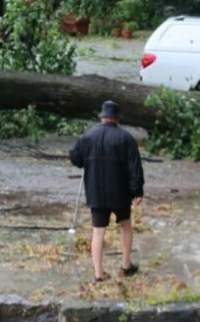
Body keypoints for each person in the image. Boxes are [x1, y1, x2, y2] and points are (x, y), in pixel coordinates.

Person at [69, 100, 145, 282]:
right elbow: (135, 167)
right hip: (120, 192)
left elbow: (74, 157)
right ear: (117, 119)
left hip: (96, 192)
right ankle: (126, 265)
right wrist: (137, 190)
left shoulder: (88, 136)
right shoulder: (126, 138)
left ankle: (98, 273)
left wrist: (84, 160)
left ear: (102, 117)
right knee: (125, 225)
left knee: (98, 231)